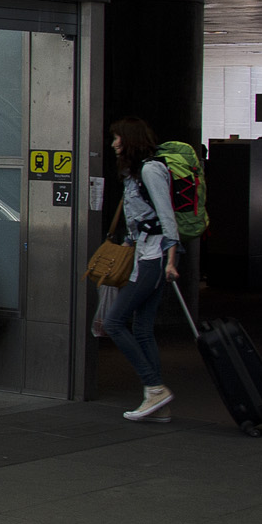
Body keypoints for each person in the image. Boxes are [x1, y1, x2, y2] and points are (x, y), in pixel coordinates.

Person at [105, 117, 181, 423]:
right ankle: (158, 403)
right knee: (143, 329)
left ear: (130, 141)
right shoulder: (134, 174)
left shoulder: (151, 170)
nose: (113, 144)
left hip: (155, 258)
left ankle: (154, 387)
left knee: (114, 322)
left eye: (118, 139)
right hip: (145, 255)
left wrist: (172, 261)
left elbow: (167, 217)